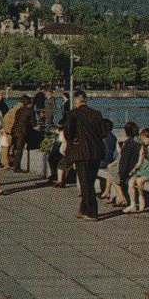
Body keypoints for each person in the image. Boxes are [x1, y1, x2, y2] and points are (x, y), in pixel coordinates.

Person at [62, 90, 106, 219]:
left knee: (85, 183)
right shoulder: (97, 114)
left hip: (81, 152)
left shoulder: (74, 114)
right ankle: (83, 209)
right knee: (89, 181)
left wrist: (72, 140)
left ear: (76, 101)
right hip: (96, 152)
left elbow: (68, 132)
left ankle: (92, 212)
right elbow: (103, 133)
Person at [125, 127, 149, 213]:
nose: (143, 140)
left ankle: (142, 199)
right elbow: (140, 162)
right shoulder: (143, 147)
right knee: (131, 181)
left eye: (145, 138)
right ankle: (133, 204)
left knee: (139, 181)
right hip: (144, 169)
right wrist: (134, 169)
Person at [6, 95, 35, 173]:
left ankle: (10, 162)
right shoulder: (30, 111)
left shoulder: (19, 110)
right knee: (19, 150)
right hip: (22, 132)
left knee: (14, 148)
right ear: (29, 103)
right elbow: (33, 122)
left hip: (14, 130)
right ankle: (17, 167)